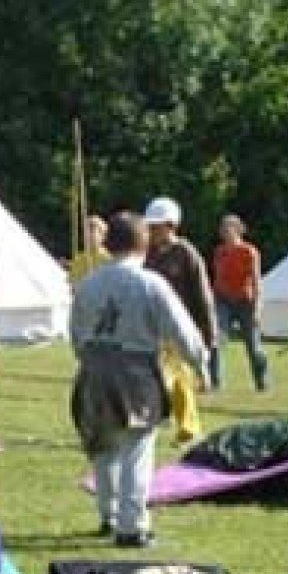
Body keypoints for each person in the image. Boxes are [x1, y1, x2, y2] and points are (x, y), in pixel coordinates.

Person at [71, 211, 209, 548]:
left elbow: (75, 331)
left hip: (92, 367)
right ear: (143, 244)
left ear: (108, 243)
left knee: (102, 445)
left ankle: (109, 513)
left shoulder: (88, 283)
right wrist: (200, 362)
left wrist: (89, 360)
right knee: (137, 447)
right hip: (135, 372)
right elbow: (182, 330)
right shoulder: (150, 283)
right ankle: (132, 526)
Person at [144, 197, 215, 443]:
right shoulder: (145, 253)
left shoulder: (186, 253)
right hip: (150, 326)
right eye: (150, 227)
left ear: (172, 226)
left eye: (157, 227)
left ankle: (189, 427)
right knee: (156, 377)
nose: (151, 232)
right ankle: (158, 418)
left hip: (179, 326)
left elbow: (202, 297)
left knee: (178, 377)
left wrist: (207, 335)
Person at [210, 214, 269, 391]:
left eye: (228, 228)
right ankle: (215, 383)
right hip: (222, 300)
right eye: (222, 228)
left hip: (245, 301)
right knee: (216, 340)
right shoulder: (219, 252)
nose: (224, 232)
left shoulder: (249, 251)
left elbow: (256, 280)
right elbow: (218, 278)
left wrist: (257, 308)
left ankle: (262, 383)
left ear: (238, 230)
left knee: (254, 345)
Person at [68, 215, 110, 287]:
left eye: (92, 231)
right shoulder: (79, 258)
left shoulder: (108, 260)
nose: (88, 235)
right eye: (86, 231)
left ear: (103, 236)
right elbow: (72, 282)